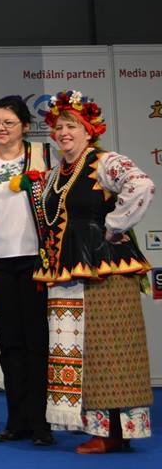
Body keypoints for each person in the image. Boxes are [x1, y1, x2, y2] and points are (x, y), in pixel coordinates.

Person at [32, 90, 154, 454]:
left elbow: (142, 185)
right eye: (59, 127)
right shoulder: (57, 172)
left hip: (105, 271)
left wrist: (114, 225)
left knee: (109, 348)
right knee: (81, 348)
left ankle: (114, 431)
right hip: (69, 270)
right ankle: (101, 428)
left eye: (72, 126)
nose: (63, 132)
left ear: (89, 130)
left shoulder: (105, 162)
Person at [0, 95, 52, 445]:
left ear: (25, 126)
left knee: (37, 342)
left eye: (9, 123)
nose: (1, 128)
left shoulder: (43, 155)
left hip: (35, 261)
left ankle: (42, 422)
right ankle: (17, 419)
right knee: (9, 343)